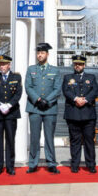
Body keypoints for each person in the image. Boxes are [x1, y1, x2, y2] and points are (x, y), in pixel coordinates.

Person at [25, 42, 60, 174]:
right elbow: (28, 87)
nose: (40, 55)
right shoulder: (31, 69)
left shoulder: (55, 70)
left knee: (49, 137)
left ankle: (51, 162)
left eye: (42, 53)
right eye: (38, 53)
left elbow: (57, 89)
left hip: (50, 108)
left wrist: (47, 100)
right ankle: (33, 163)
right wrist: (38, 100)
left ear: (47, 54)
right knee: (34, 137)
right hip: (35, 108)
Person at [0, 53, 23, 175]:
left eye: (4, 64)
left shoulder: (16, 77)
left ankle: (10, 166)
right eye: (0, 64)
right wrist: (0, 105)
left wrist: (9, 105)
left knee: (10, 140)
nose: (1, 66)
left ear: (9, 65)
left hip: (11, 113)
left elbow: (18, 94)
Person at [62, 55, 98, 173]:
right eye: (76, 64)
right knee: (75, 140)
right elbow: (66, 90)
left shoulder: (91, 77)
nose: (78, 66)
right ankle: (75, 164)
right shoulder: (68, 77)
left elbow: (95, 91)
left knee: (89, 141)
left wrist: (85, 99)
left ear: (84, 65)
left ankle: (91, 164)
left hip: (88, 113)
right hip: (73, 113)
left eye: (80, 64)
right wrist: (76, 98)